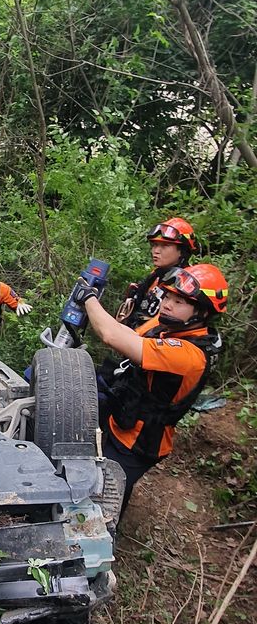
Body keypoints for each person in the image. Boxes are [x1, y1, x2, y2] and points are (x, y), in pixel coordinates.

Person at [75, 262, 227, 511]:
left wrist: (89, 298)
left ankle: (106, 540)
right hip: (122, 417)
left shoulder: (190, 355)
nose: (167, 303)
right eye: (167, 296)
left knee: (103, 501)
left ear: (201, 312)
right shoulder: (171, 328)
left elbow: (111, 336)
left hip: (139, 442)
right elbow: (126, 335)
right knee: (97, 480)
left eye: (179, 302)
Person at [116, 216, 197, 329]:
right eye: (154, 245)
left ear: (182, 251)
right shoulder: (157, 275)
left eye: (165, 246)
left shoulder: (187, 285)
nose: (156, 251)